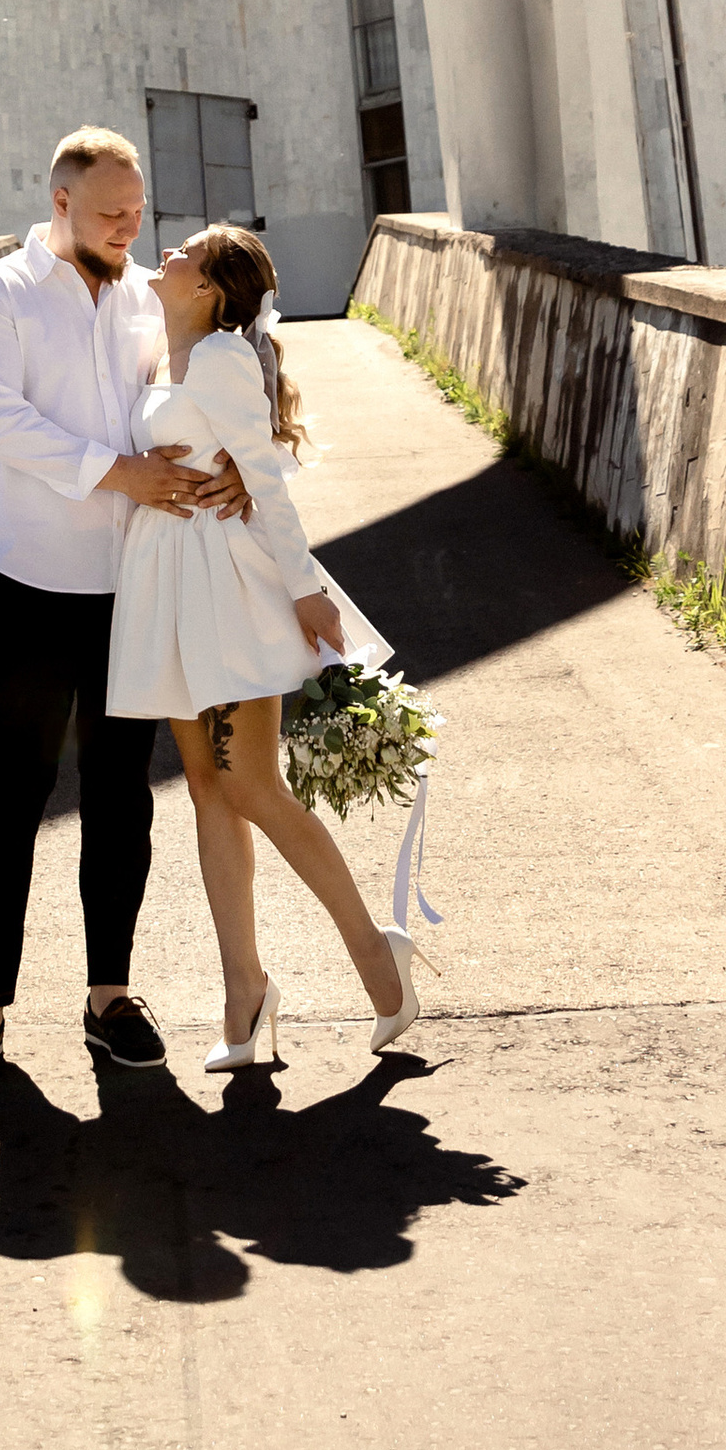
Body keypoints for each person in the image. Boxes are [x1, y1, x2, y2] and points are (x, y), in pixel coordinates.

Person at [0, 128, 250, 1087]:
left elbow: (197, 390)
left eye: (137, 210)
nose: (130, 228)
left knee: (122, 797)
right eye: (113, 212)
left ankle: (109, 997)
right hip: (30, 579)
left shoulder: (142, 305)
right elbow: (0, 422)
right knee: (14, 791)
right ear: (62, 199)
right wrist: (122, 473)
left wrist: (235, 462)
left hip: (132, 583)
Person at [107, 221, 421, 1068]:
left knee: (250, 782)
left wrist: (308, 592)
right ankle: (243, 993)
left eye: (185, 256)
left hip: (230, 582)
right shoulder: (158, 351)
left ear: (209, 290)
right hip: (171, 581)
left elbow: (267, 479)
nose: (164, 257)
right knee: (208, 788)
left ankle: (373, 955)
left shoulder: (217, 357)